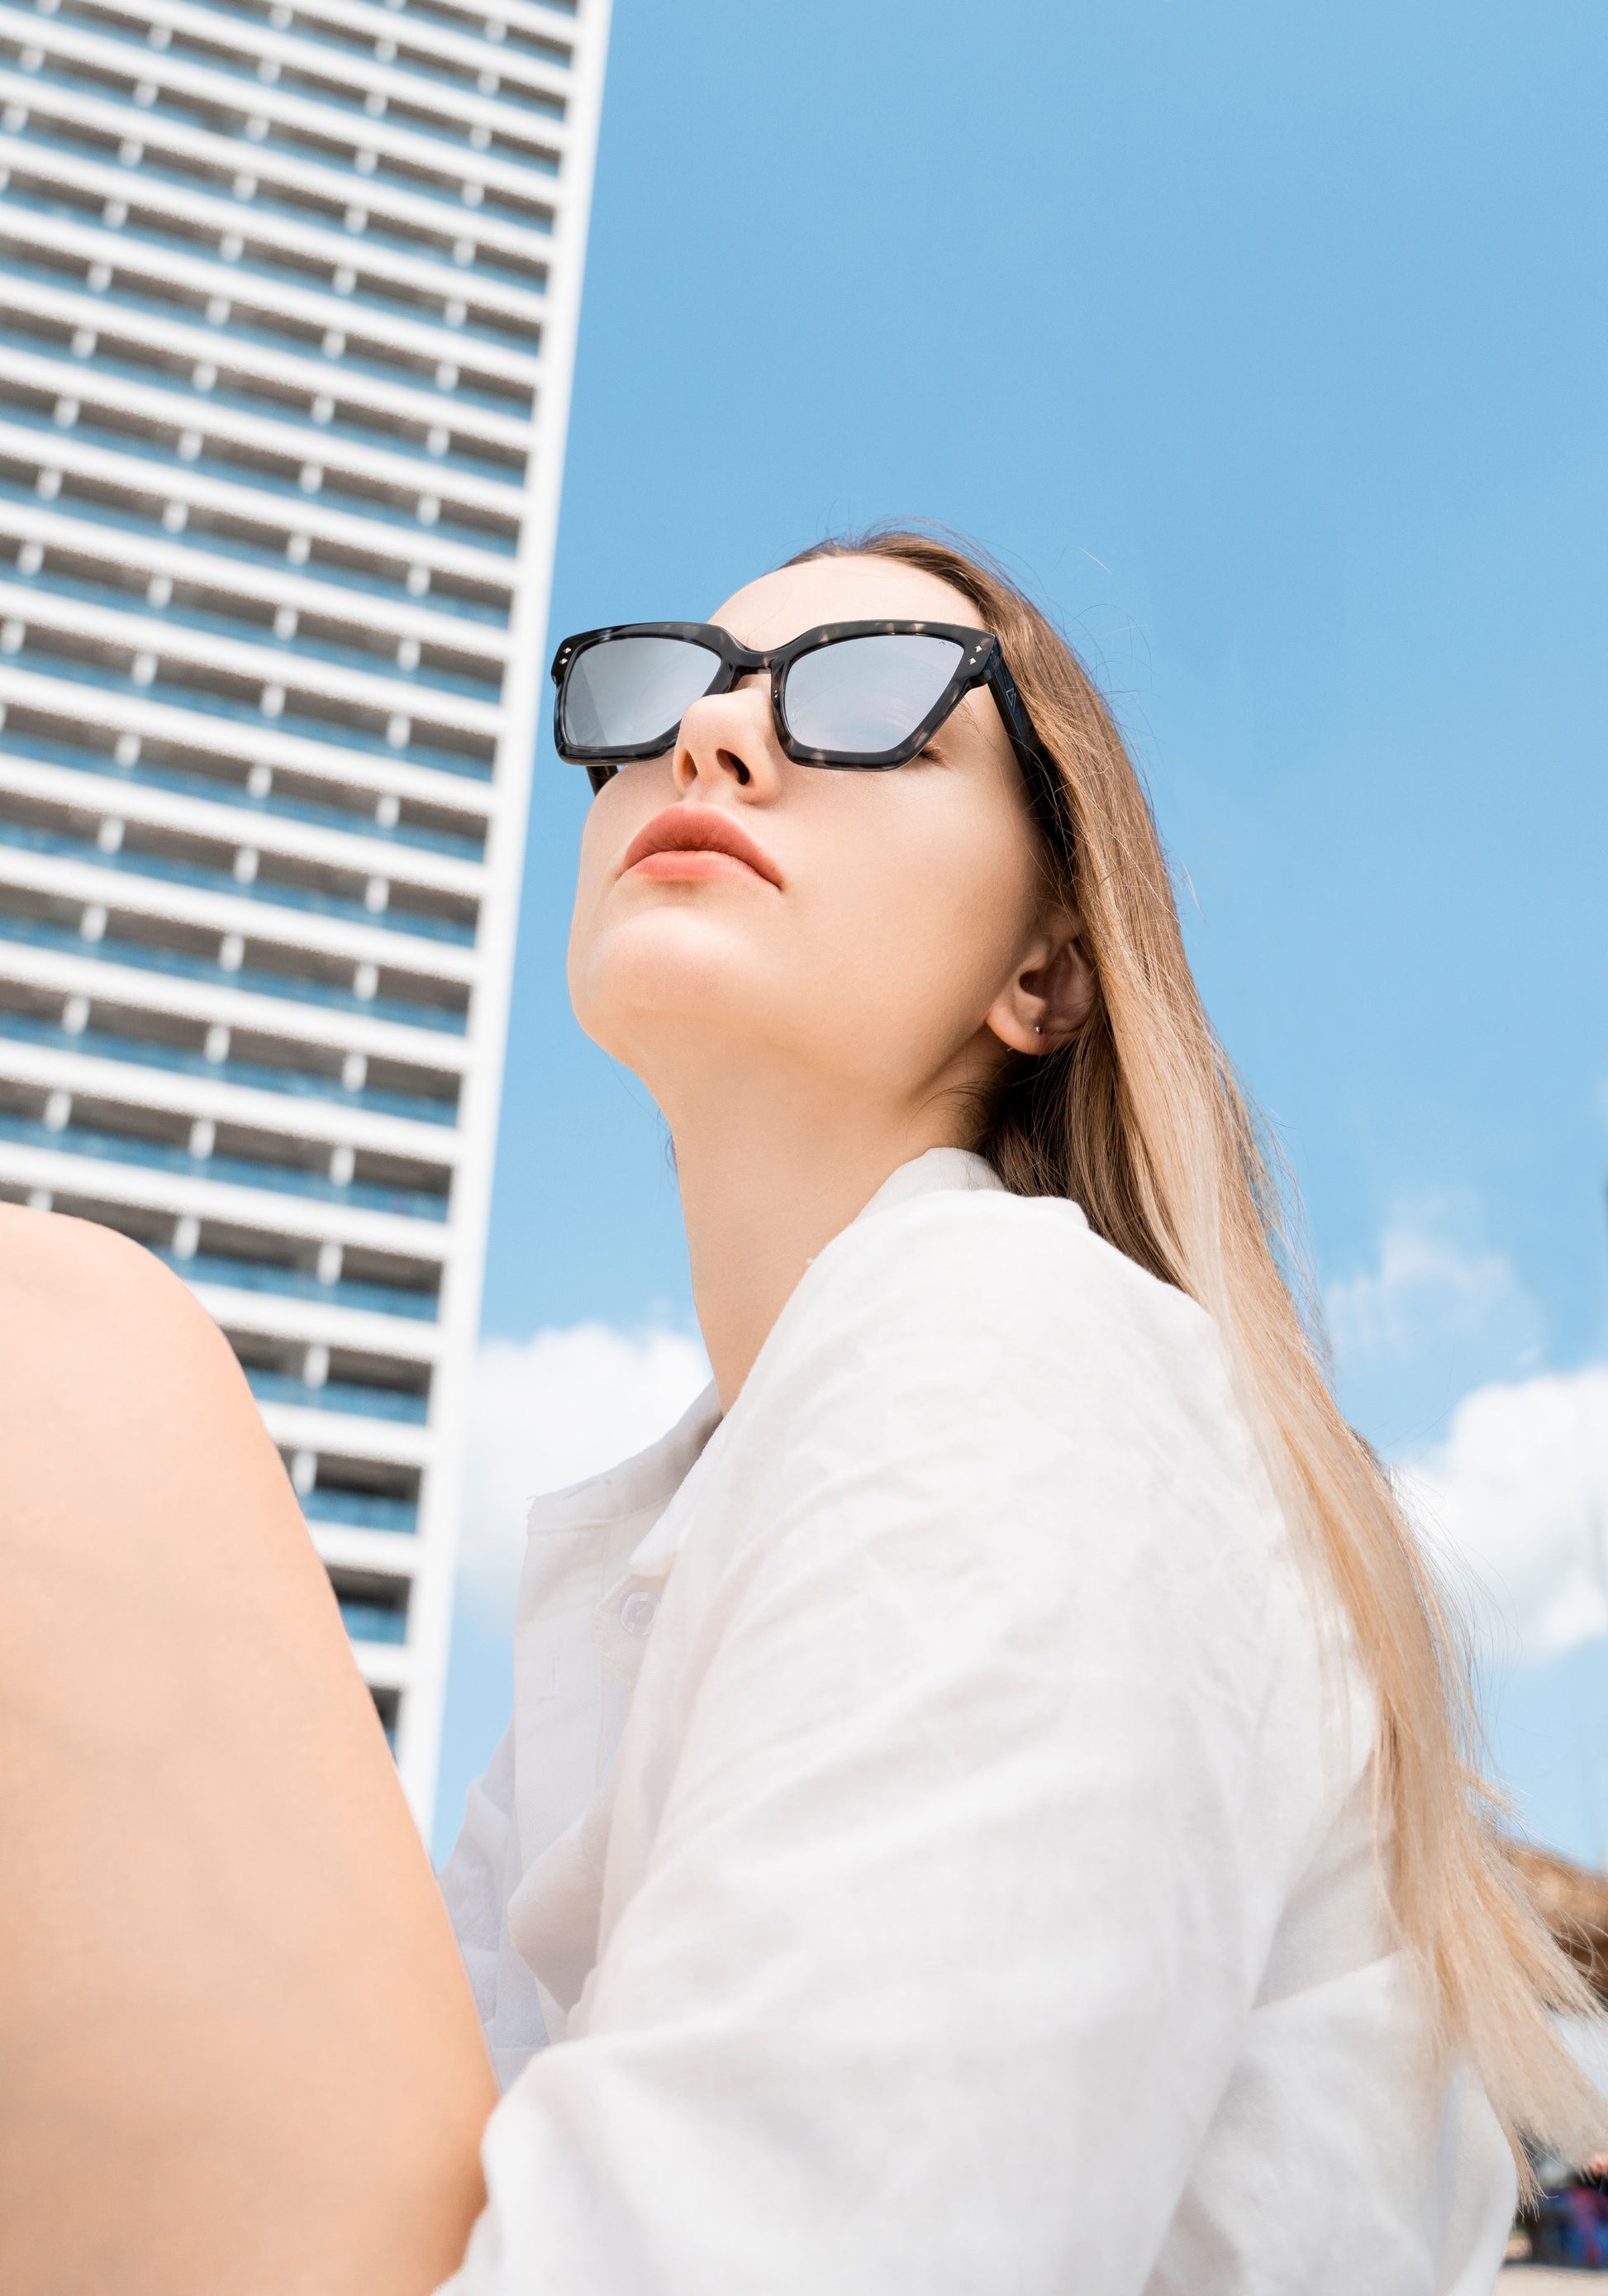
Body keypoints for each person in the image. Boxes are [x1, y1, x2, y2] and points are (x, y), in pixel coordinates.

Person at [0, 527, 1600, 2295]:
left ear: (1044, 974)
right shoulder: (649, 1561)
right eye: (663, 689)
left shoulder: (1028, 1352)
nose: (710, 739)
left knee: (54, 1359)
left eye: (864, 697)